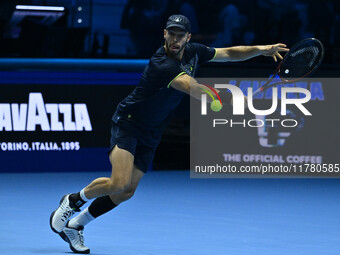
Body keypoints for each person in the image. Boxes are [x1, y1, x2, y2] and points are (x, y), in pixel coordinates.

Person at [50, 14, 288, 254]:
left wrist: (261, 49)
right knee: (118, 182)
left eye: (180, 35)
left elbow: (229, 53)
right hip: (129, 123)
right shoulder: (162, 64)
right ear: (164, 34)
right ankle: (72, 200)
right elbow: (192, 87)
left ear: (188, 37)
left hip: (152, 130)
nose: (175, 39)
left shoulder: (194, 51)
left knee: (127, 192)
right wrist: (230, 99)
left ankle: (76, 225)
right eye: (171, 33)